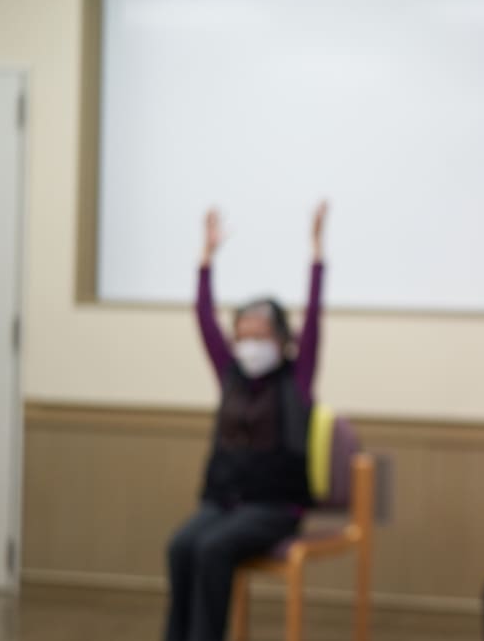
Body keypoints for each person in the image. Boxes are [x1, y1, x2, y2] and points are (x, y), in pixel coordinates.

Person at [165, 203, 328, 641]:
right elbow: (203, 319)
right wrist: (206, 258)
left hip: (274, 508)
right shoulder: (230, 374)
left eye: (260, 336)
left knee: (213, 549)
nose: (250, 345)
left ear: (280, 339)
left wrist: (316, 254)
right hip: (223, 502)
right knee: (183, 545)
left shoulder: (297, 379)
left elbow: (314, 320)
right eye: (243, 335)